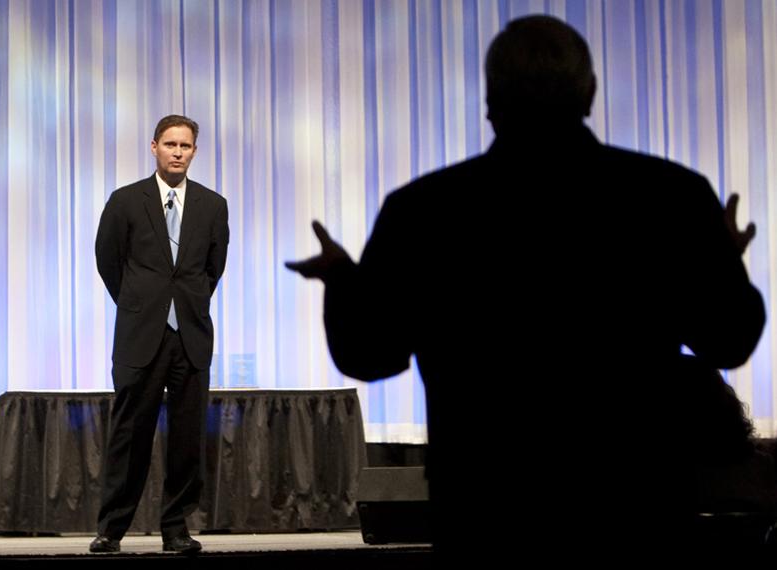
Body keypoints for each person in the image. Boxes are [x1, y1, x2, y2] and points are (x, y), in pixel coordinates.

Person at [287, 15, 765, 552]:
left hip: (488, 511)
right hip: (634, 509)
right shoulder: (671, 196)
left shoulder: (425, 211)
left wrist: (342, 280)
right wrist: (727, 259)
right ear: (590, 93)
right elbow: (728, 338)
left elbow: (370, 354)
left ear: (489, 102)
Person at [91, 114, 229, 553]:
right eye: (170, 144)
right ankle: (111, 530)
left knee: (187, 439)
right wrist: (138, 303)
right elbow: (108, 261)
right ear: (154, 147)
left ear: (194, 151)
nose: (177, 152)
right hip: (140, 333)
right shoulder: (126, 200)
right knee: (130, 434)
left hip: (189, 334)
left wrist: (184, 304)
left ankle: (175, 528)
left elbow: (213, 268)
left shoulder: (212, 205)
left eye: (185, 146)